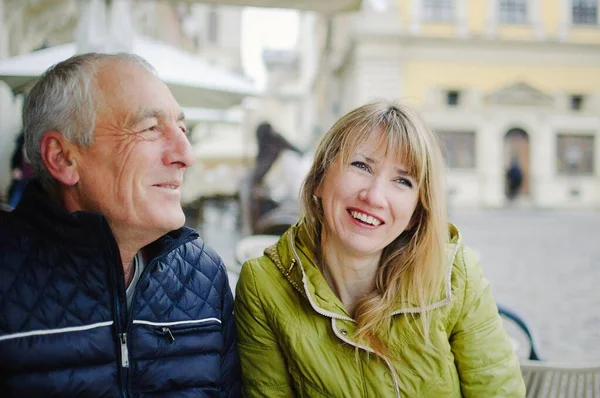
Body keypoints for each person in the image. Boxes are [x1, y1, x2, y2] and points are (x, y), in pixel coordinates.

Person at [234, 101, 525, 397]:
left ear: (416, 213)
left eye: (402, 180)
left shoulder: (453, 273)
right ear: (319, 180)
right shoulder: (263, 285)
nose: (374, 197)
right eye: (361, 165)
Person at [0, 53, 241, 396]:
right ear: (63, 157)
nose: (186, 154)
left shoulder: (203, 274)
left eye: (182, 129)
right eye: (150, 128)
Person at [6, 131, 33, 207]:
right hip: (22, 178)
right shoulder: (23, 139)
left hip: (35, 180)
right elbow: (15, 157)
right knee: (15, 200)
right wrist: (15, 169)